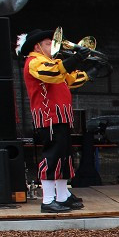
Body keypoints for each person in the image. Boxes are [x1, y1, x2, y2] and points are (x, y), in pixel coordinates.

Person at [19, 28, 89, 213]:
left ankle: (62, 195)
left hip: (61, 115)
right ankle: (48, 199)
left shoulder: (52, 62)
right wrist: (74, 59)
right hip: (49, 115)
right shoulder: (34, 62)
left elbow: (69, 79)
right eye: (48, 43)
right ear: (37, 46)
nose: (53, 46)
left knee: (64, 156)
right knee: (52, 154)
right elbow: (51, 74)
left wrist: (91, 71)